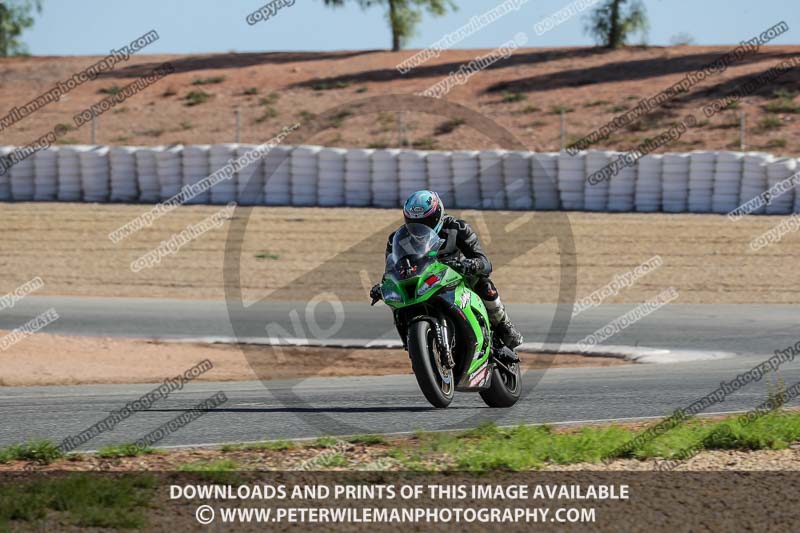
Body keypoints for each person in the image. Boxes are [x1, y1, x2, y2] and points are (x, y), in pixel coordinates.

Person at [371, 190, 523, 350]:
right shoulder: (399, 239)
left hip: (458, 278)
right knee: (398, 301)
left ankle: (503, 325)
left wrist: (472, 265)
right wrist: (382, 285)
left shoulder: (458, 228)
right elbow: (391, 269)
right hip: (423, 281)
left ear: (438, 215)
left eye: (427, 220)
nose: (421, 226)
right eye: (413, 221)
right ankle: (412, 341)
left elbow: (485, 263)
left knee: (485, 285)